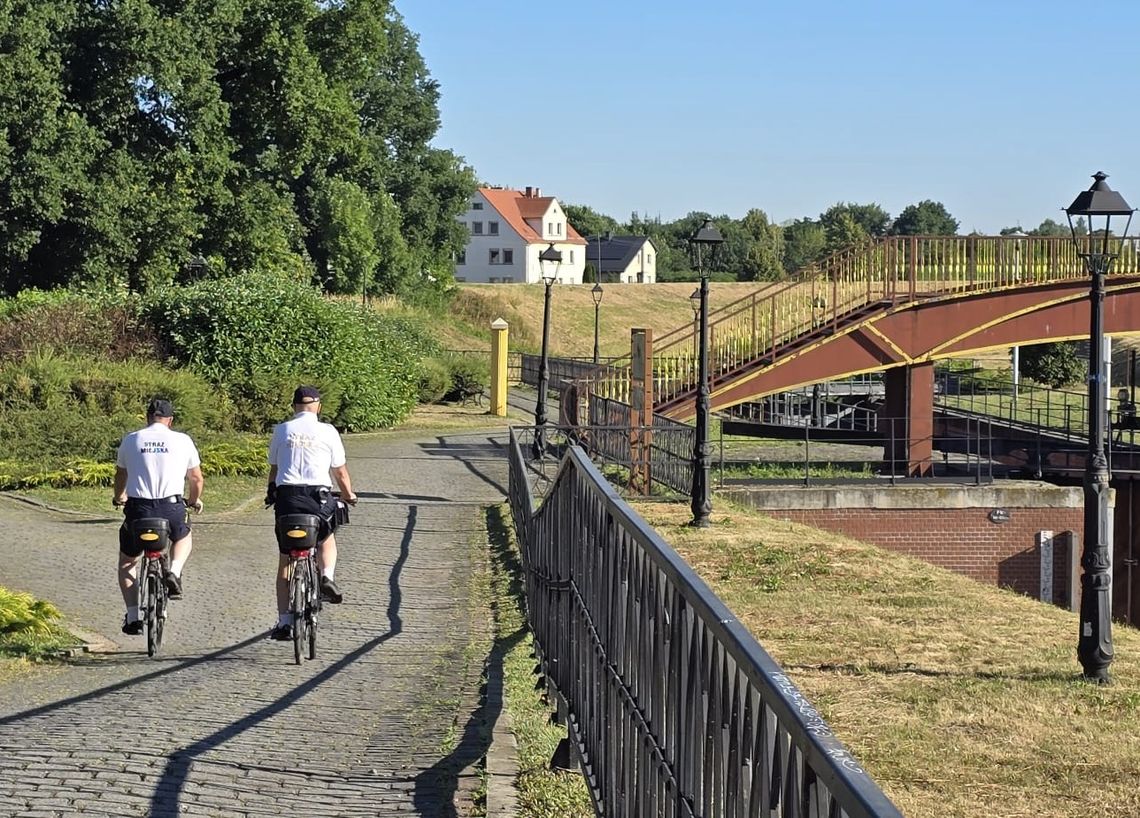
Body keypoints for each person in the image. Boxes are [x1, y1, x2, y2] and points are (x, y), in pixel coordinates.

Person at [266, 386, 357, 641]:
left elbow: (274, 469)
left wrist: (271, 491)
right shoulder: (328, 431)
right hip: (318, 498)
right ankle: (327, 577)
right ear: (318, 406)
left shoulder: (282, 430)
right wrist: (348, 495)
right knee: (326, 537)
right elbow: (340, 472)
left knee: (286, 559)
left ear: (294, 406)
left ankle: (284, 621)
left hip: (287, 499)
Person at [112, 398, 204, 635]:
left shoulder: (131, 439)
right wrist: (193, 501)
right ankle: (173, 570)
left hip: (138, 510)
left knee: (127, 562)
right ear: (170, 420)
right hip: (171, 508)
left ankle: (133, 616)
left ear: (147, 417)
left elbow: (120, 475)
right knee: (183, 535)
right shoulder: (182, 441)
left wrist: (119, 496)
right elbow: (196, 479)